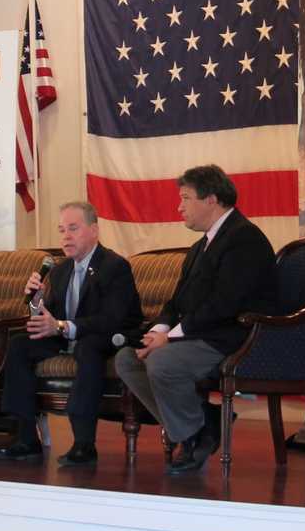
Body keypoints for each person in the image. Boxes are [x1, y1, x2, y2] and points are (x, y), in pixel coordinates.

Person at [115, 165, 276, 474]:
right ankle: (204, 422)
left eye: (185, 198)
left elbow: (224, 305)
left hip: (234, 338)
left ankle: (192, 437)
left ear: (211, 199)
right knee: (127, 359)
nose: (179, 207)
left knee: (163, 363)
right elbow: (177, 302)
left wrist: (170, 338)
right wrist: (159, 330)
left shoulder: (244, 239)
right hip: (203, 334)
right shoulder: (200, 247)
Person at [0, 202, 142, 466]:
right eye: (62, 230)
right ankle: (26, 439)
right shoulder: (59, 270)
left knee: (87, 347)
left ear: (94, 230)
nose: (66, 236)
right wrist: (36, 302)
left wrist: (61, 327)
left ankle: (83, 444)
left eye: (73, 228)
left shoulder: (114, 266)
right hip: (67, 335)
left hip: (109, 336)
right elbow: (50, 317)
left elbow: (111, 319)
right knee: (20, 345)